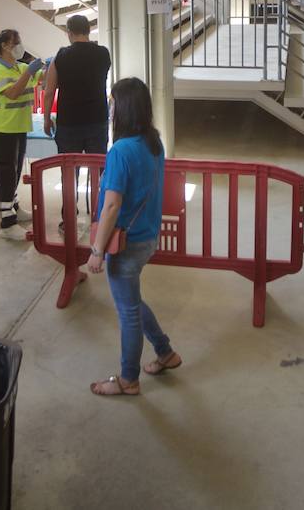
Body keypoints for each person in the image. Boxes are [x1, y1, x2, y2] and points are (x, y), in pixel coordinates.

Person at [85, 77, 180, 396]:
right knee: (133, 302)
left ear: (122, 109)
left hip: (124, 243)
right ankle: (165, 352)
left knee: (127, 311)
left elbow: (112, 205)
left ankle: (128, 379)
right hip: (147, 237)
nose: (110, 108)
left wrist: (97, 250)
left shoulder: (121, 151)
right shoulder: (153, 142)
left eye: (113, 102)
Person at [0, 30, 44, 240]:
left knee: (16, 171)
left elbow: (42, 77)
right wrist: (29, 72)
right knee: (5, 174)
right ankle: (7, 223)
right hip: (3, 130)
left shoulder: (20, 67)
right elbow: (12, 93)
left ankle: (15, 208)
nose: (20, 46)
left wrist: (53, 63)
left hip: (19, 128)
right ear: (4, 46)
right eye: (15, 43)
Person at [43, 14, 112, 154]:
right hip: (97, 118)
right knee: (98, 167)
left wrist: (46, 119)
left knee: (69, 168)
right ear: (88, 30)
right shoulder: (103, 53)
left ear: (69, 32)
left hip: (69, 121)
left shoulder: (61, 56)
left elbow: (49, 92)